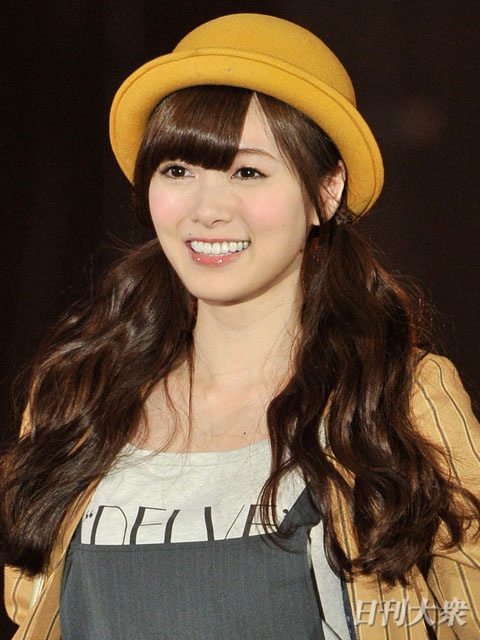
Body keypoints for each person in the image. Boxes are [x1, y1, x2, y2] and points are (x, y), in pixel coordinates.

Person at [1, 13, 479, 640]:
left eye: (247, 172)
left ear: (326, 192)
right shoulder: (76, 399)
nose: (207, 210)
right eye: (178, 170)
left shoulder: (395, 396)